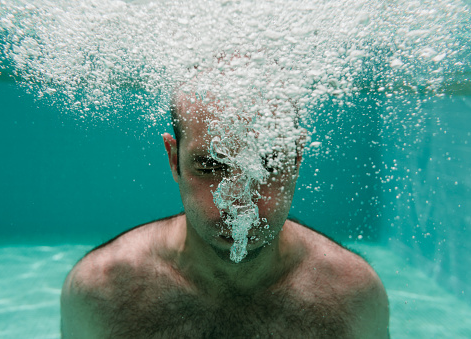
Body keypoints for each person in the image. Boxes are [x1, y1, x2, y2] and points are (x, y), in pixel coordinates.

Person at [60, 88, 390, 338]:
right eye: (209, 167)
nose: (239, 206)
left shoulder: (354, 297)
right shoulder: (100, 292)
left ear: (298, 158)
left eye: (269, 165)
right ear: (174, 159)